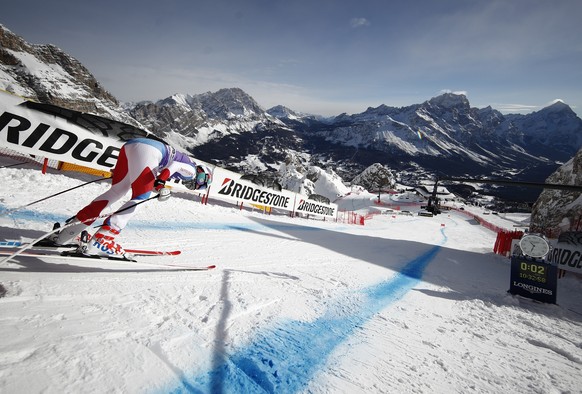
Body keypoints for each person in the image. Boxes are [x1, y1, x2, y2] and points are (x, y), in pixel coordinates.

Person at [53, 138, 212, 259]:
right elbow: (175, 166)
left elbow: (168, 166)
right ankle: (103, 239)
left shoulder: (186, 165)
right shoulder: (191, 168)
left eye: (196, 187)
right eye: (199, 182)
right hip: (150, 152)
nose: (194, 184)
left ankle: (68, 232)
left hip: (131, 146)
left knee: (117, 191)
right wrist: (161, 182)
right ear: (200, 173)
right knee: (141, 196)